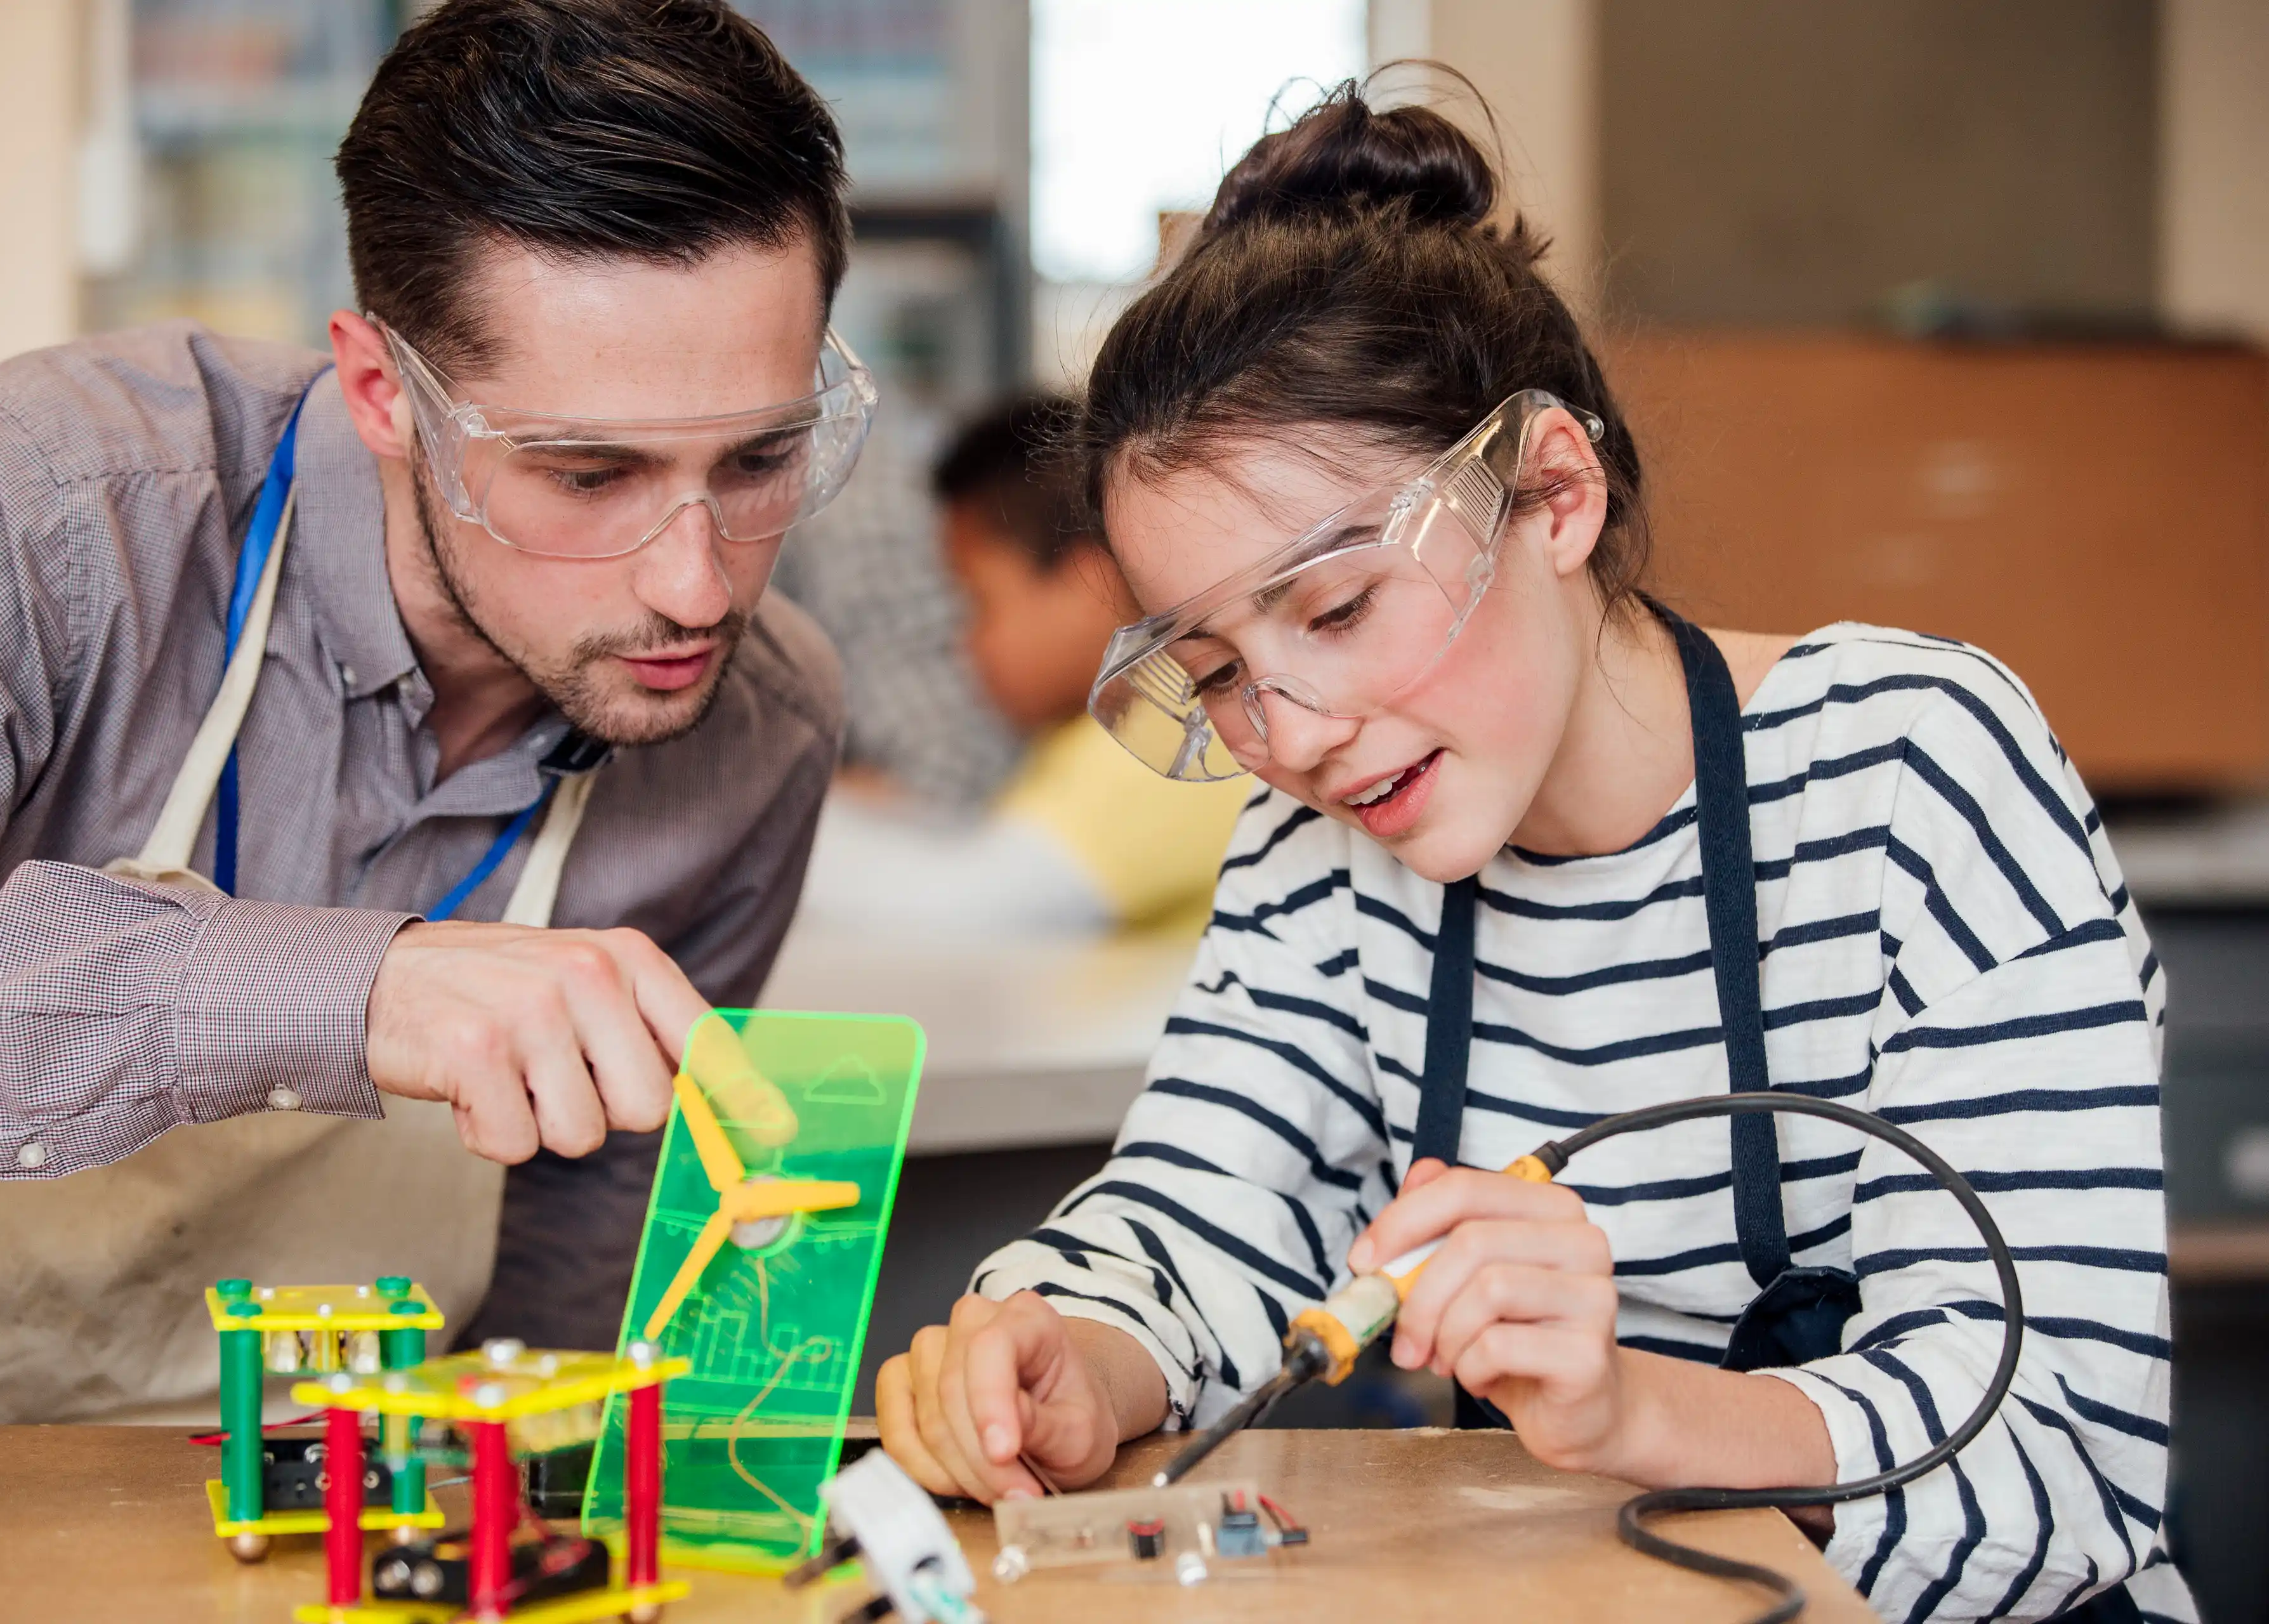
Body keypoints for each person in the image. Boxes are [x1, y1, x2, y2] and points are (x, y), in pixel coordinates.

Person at [876, 82, 2188, 1624]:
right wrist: (1066, 1354)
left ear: (1553, 493)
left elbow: (2061, 1467)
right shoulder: (1318, 847)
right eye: (1217, 671)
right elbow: (1197, 1217)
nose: (1287, 733)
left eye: (1338, 608)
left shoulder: (1910, 770)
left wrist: (1628, 1408)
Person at [0, 0, 862, 1422]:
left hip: (355, 1512)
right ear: (384, 388)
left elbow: (583, 1276)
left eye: (760, 459)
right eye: (585, 476)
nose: (698, 588)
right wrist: (360, 989)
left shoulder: (762, 731)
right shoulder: (43, 509)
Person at [796, 393, 1244, 938]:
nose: (967, 643)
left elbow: (969, 904)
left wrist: (746, 821)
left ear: (1089, 581)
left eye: (979, 602)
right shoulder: (1087, 740)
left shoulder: (1185, 730)